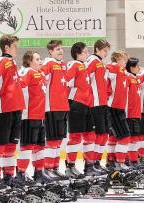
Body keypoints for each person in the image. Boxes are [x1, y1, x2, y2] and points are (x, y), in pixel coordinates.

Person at [0, 35, 25, 190]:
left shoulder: (12, 62)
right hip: (4, 108)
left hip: (16, 107)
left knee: (10, 145)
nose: (17, 49)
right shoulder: (1, 61)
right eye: (15, 46)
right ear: (7, 47)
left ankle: (9, 176)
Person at [16, 51, 51, 186]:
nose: (40, 61)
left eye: (40, 58)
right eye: (37, 59)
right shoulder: (28, 72)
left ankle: (39, 172)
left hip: (40, 115)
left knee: (39, 146)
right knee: (27, 146)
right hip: (29, 116)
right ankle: (21, 173)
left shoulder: (40, 74)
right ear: (29, 62)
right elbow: (20, 85)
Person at [41, 40, 69, 179]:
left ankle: (55, 167)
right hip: (51, 107)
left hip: (63, 106)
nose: (60, 51)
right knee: (52, 140)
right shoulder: (48, 63)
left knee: (58, 140)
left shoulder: (63, 65)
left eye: (61, 48)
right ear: (50, 51)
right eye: (57, 49)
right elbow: (40, 77)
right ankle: (47, 169)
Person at [64, 42, 93, 178]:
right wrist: (69, 99)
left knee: (88, 136)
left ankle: (89, 166)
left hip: (86, 105)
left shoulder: (83, 66)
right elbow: (64, 80)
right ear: (77, 54)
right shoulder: (74, 64)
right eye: (85, 51)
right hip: (77, 105)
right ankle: (70, 166)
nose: (87, 54)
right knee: (75, 137)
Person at [85, 40, 110, 174]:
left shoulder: (100, 63)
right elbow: (84, 77)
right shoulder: (92, 60)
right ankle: (90, 164)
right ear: (97, 49)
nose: (106, 53)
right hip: (94, 104)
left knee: (104, 135)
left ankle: (97, 162)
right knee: (97, 135)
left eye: (107, 50)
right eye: (104, 50)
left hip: (103, 103)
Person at [106, 51, 130, 170]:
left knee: (114, 136)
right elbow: (104, 72)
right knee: (124, 136)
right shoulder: (114, 67)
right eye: (123, 59)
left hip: (118, 108)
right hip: (114, 107)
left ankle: (111, 161)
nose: (125, 61)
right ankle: (120, 163)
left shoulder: (122, 71)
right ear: (117, 59)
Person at [125, 57, 143, 167]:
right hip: (130, 114)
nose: (139, 68)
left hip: (136, 113)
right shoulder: (127, 78)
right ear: (131, 67)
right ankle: (131, 160)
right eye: (137, 66)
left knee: (136, 138)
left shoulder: (136, 79)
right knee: (131, 138)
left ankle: (134, 159)